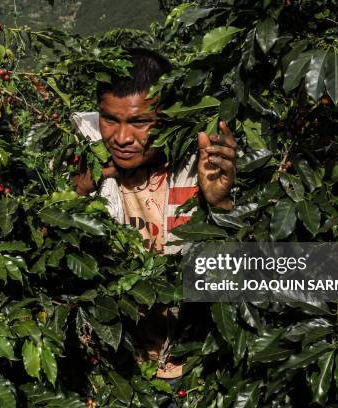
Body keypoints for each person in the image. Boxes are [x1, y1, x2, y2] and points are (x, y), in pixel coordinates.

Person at [70, 48, 238, 379]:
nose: (121, 138)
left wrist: (220, 204)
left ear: (168, 117)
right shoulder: (78, 162)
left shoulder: (201, 167)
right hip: (120, 373)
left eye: (139, 122)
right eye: (110, 119)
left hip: (196, 369)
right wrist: (75, 194)